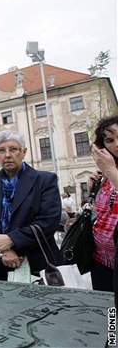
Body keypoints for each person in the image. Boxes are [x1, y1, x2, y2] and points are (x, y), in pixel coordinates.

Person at [0, 130, 63, 281]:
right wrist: (4, 249)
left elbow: (49, 221)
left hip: (35, 259)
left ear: (24, 152)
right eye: (2, 150)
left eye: (13, 149)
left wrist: (11, 239)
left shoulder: (44, 180)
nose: (7, 155)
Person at [89, 115, 118, 292]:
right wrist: (94, 191)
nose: (116, 144)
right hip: (101, 260)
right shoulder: (105, 174)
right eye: (110, 140)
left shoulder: (110, 170)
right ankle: (111, 322)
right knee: (108, 313)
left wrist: (110, 170)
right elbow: (101, 214)